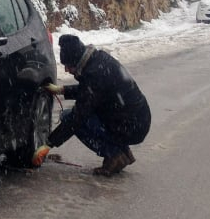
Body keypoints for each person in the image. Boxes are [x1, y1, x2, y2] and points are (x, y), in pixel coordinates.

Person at [32, 34, 151, 176]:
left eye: (68, 66)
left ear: (76, 61)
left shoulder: (95, 74)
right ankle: (122, 152)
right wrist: (62, 90)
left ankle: (115, 155)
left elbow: (78, 116)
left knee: (72, 118)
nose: (66, 70)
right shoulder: (97, 60)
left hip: (131, 125)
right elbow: (91, 91)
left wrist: (48, 144)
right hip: (135, 119)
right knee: (81, 116)